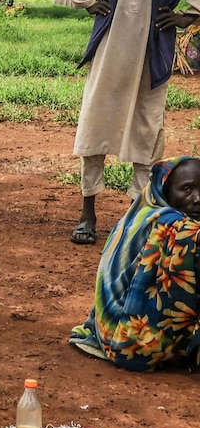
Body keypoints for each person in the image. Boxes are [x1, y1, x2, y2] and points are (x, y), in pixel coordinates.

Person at [54, 0, 200, 245]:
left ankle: (137, 218)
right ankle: (88, 213)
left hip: (154, 51)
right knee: (96, 121)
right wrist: (88, 1)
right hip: (111, 46)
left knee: (146, 128)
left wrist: (185, 16)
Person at [70, 156, 200, 370]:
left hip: (115, 328)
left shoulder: (140, 215)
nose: (197, 198)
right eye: (186, 189)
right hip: (129, 338)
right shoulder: (168, 223)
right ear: (165, 192)